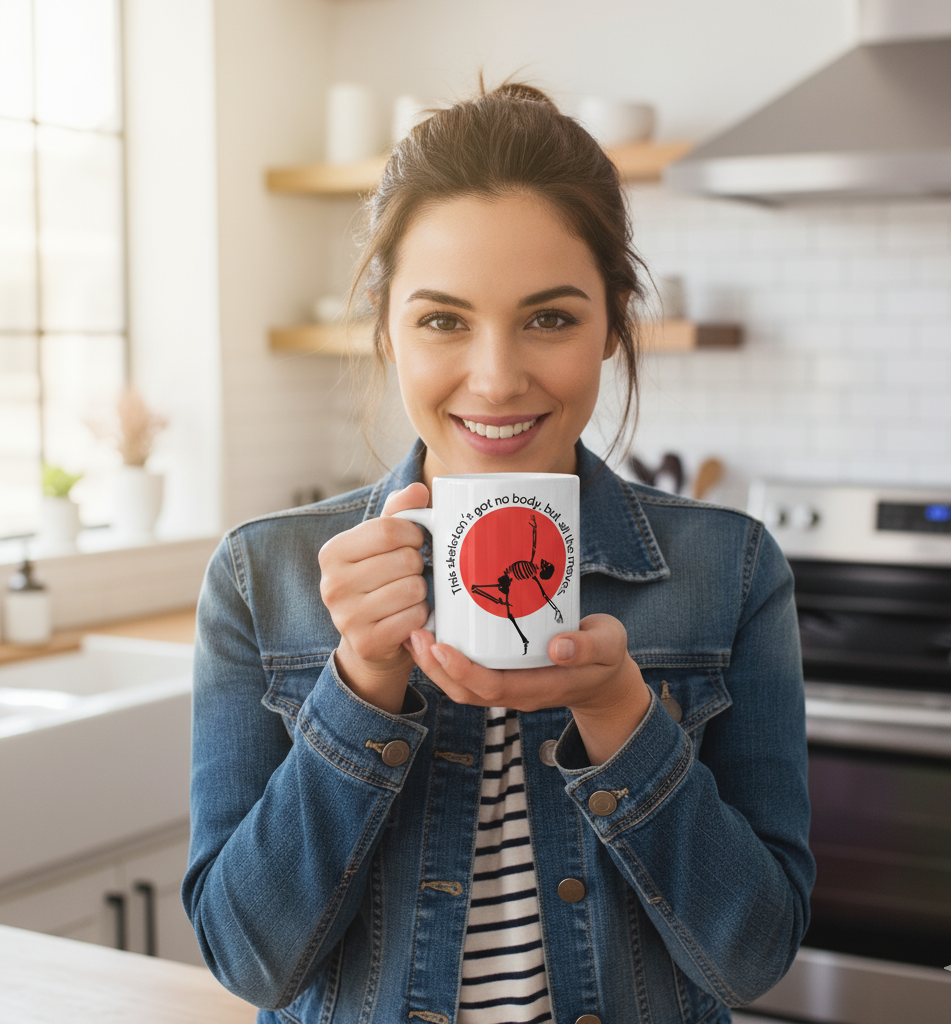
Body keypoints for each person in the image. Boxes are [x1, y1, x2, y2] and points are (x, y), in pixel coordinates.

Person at [183, 82, 814, 1024]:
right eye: (443, 319)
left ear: (612, 323)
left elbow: (755, 955)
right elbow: (247, 961)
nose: (496, 376)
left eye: (550, 318)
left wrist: (620, 715)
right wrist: (357, 683)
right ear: (386, 327)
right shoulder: (258, 581)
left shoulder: (732, 574)